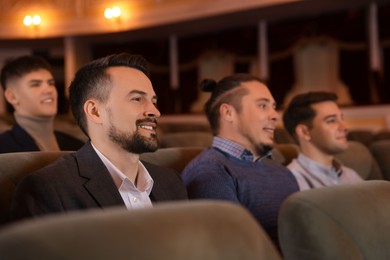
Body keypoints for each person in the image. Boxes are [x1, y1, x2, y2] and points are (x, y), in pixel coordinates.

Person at [10, 53, 188, 220]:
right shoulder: (48, 189)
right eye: (137, 99)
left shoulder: (171, 181)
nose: (154, 111)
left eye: (154, 102)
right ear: (95, 111)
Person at [181, 73, 299, 249]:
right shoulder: (211, 172)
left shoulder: (282, 172)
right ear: (228, 113)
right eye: (262, 105)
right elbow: (233, 250)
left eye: (274, 107)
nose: (275, 115)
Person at [0, 55, 84, 153]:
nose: (49, 90)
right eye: (35, 84)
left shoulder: (77, 146)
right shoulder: (3, 147)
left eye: (51, 83)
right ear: (12, 97)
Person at [282, 91, 363, 190]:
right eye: (331, 120)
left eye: (342, 118)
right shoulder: (294, 182)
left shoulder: (350, 175)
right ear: (304, 132)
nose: (345, 127)